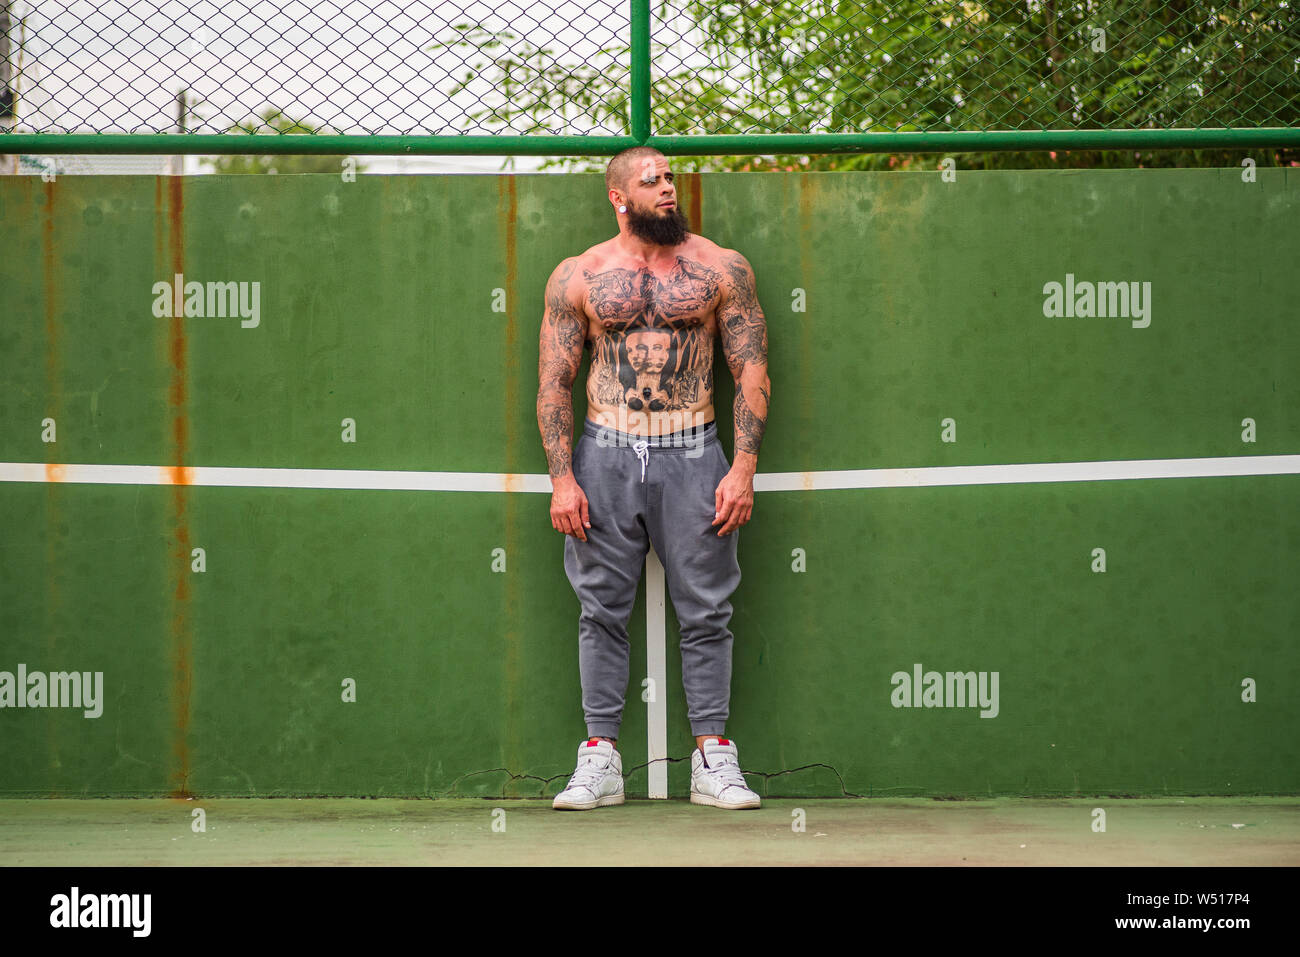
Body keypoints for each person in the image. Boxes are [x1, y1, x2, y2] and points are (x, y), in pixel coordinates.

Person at [536, 146, 771, 810]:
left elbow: (751, 368)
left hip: (695, 452)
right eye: (652, 181)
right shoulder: (577, 276)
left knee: (707, 608)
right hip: (604, 454)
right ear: (619, 197)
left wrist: (743, 468)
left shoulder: (721, 268)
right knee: (600, 609)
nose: (668, 189)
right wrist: (563, 479)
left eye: (670, 178)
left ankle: (712, 760)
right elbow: (554, 383)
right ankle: (600, 757)